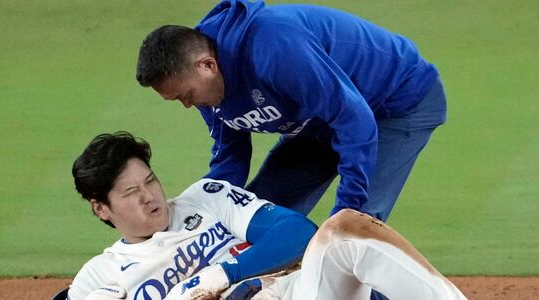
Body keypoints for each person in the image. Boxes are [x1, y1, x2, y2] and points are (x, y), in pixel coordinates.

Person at [135, 0, 448, 223]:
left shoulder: (273, 47)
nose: (188, 104)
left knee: (355, 231)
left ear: (207, 65)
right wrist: (201, 210)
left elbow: (355, 120)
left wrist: (348, 209)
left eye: (186, 95)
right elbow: (230, 157)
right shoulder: (207, 87)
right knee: (257, 218)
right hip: (321, 119)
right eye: (178, 100)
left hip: (397, 102)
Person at [67, 132, 466, 300]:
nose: (150, 196)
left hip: (297, 294)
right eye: (131, 193)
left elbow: (297, 232)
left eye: (150, 181)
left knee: (345, 229)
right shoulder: (100, 276)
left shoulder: (206, 198)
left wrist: (223, 274)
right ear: (101, 208)